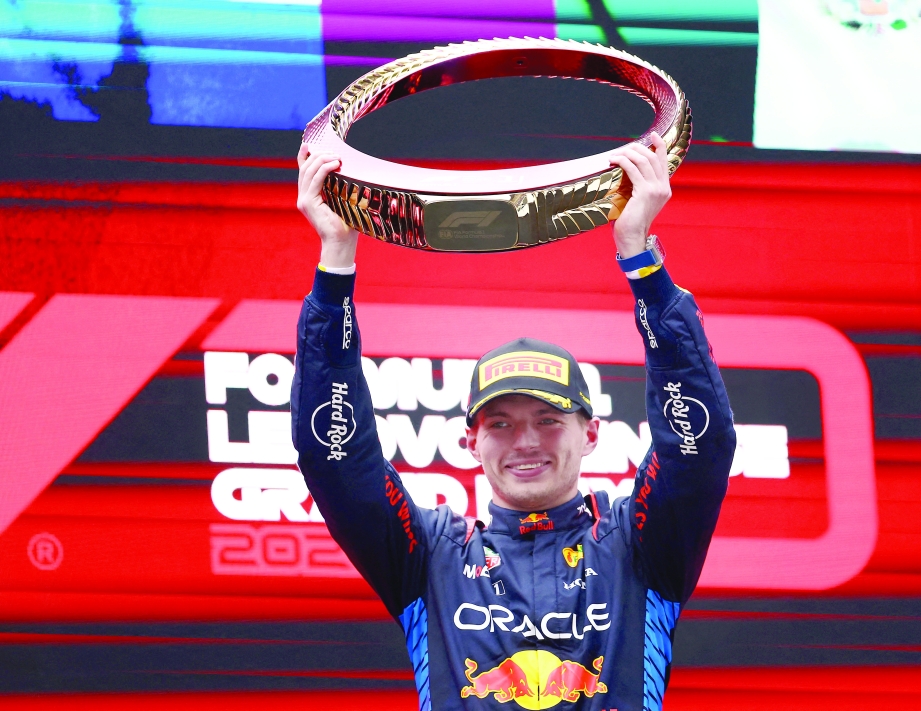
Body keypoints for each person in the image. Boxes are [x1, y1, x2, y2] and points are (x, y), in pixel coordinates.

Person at [292, 133, 736, 711]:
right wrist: (336, 261)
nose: (525, 441)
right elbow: (334, 455)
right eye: (500, 423)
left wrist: (641, 260)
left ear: (592, 433)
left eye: (549, 419)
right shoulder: (429, 556)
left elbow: (699, 442)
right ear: (470, 441)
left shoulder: (639, 545)